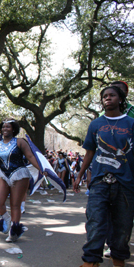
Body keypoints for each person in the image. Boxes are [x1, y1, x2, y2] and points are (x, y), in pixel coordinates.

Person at [74, 86, 134, 267]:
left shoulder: (131, 123)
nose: (108, 98)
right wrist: (80, 175)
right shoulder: (96, 124)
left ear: (121, 99)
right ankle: (91, 260)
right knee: (95, 220)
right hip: (100, 181)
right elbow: (90, 152)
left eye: (112, 95)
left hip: (125, 183)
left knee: (123, 224)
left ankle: (118, 258)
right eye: (105, 96)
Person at [0, 118, 45, 242]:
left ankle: (14, 230)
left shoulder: (20, 142)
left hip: (19, 174)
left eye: (8, 127)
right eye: (3, 127)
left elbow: (30, 156)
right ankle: (6, 218)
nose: (5, 129)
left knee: (15, 204)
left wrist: (41, 169)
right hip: (4, 175)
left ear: (14, 129)